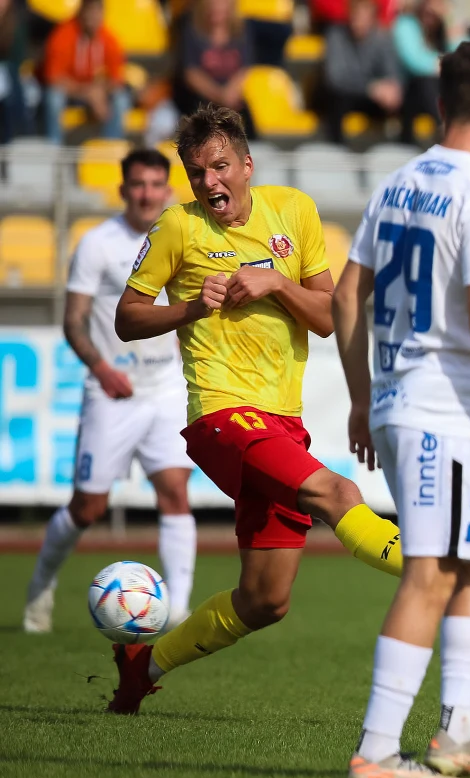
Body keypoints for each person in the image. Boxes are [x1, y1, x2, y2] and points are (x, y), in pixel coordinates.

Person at [104, 104, 409, 715]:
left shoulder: (293, 211)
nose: (209, 182)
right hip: (222, 416)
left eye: (219, 167)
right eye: (196, 173)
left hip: (283, 422)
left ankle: (145, 665)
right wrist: (191, 307)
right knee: (339, 494)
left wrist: (277, 284)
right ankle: (448, 558)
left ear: (246, 165)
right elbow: (127, 318)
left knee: (265, 600)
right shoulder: (177, 228)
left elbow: (329, 317)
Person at [332, 40, 470, 778]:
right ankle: (376, 748)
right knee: (430, 571)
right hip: (443, 408)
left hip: (403, 399)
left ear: (439, 105)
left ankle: (456, 732)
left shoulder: (395, 182)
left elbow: (344, 296)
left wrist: (363, 398)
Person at [24, 149, 195, 635]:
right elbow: (73, 320)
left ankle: (177, 610)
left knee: (175, 492)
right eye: (138, 184)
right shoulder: (97, 244)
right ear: (123, 190)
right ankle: (41, 585)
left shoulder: (181, 236)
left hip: (163, 389)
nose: (147, 193)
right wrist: (100, 367)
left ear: (167, 189)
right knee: (88, 508)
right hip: (112, 392)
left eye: (156, 184)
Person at [40, 0, 129, 144]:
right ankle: (54, 146)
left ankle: (112, 148)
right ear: (81, 14)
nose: (93, 19)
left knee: (121, 99)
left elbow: (116, 79)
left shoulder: (109, 38)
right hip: (70, 93)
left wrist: (99, 92)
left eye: (97, 13)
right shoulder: (62, 35)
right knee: (53, 98)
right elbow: (53, 77)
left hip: (96, 93)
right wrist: (87, 92)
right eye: (89, 13)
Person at [320, 0, 404, 143]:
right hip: (345, 96)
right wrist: (370, 88)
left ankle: (400, 149)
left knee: (407, 99)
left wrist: (392, 88)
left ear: (372, 18)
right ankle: (337, 150)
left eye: (363, 16)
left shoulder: (382, 39)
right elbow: (335, 78)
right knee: (336, 100)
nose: (358, 21)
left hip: (372, 100)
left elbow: (392, 73)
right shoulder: (335, 36)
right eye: (355, 15)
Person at [173, 0, 257, 139]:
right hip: (198, 99)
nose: (215, 8)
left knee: (246, 128)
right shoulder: (191, 31)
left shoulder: (241, 32)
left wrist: (230, 94)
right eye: (211, 4)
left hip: (232, 99)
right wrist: (219, 96)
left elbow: (244, 68)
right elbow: (191, 73)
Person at [393, 0, 466, 144]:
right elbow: (416, 62)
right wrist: (449, 64)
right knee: (425, 83)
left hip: (441, 93)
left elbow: (464, 59)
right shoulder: (405, 24)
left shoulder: (443, 27)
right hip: (409, 94)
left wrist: (450, 22)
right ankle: (447, 131)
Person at [0, 0, 30, 142]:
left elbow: (17, 58)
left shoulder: (15, 25)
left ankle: (15, 140)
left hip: (9, 76)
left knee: (10, 79)